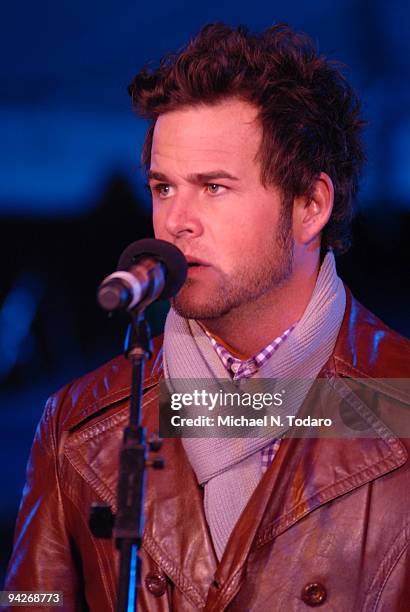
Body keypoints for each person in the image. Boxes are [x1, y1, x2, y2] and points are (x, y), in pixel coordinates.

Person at [5, 23, 410, 611]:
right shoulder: (77, 424)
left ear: (311, 206)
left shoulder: (399, 402)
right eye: (164, 188)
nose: (176, 221)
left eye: (214, 187)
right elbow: (30, 600)